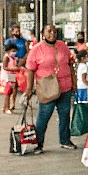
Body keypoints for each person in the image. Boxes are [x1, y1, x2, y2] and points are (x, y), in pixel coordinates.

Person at [25, 24, 78, 154]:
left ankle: (65, 140)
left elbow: (70, 65)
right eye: (49, 31)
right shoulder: (37, 49)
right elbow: (30, 70)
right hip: (47, 88)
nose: (52, 33)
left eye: (54, 31)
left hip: (65, 86)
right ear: (43, 34)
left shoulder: (63, 46)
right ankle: (38, 143)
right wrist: (29, 89)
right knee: (44, 116)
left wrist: (74, 83)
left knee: (65, 115)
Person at [4, 23, 30, 110]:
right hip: (13, 65)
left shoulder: (23, 41)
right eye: (16, 31)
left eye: (19, 31)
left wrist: (23, 60)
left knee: (25, 84)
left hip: (23, 63)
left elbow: (28, 51)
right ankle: (12, 103)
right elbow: (7, 53)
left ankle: (27, 101)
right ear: (12, 32)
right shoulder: (9, 41)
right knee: (13, 86)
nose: (17, 33)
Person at [0, 43, 20, 114]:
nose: (14, 52)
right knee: (8, 93)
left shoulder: (12, 58)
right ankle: (7, 108)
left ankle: (5, 106)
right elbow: (5, 67)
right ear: (8, 51)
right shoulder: (6, 57)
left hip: (11, 76)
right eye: (13, 51)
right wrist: (13, 69)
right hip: (7, 77)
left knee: (10, 92)